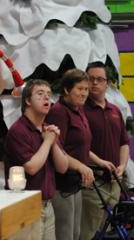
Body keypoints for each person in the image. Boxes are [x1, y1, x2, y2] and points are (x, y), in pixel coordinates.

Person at [4, 79, 68, 240]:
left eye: (49, 95)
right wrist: (47, 142)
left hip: (47, 204)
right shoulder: (18, 130)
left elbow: (63, 167)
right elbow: (31, 167)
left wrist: (53, 143)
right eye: (40, 94)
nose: (47, 98)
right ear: (27, 100)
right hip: (25, 205)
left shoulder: (47, 129)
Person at [80, 62, 130, 239]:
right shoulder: (80, 110)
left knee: (107, 231)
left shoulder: (115, 110)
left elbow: (124, 142)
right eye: (90, 79)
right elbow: (79, 146)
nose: (94, 83)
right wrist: (99, 163)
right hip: (93, 182)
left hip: (115, 181)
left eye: (99, 79)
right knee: (88, 231)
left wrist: (122, 166)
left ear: (107, 83)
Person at [45, 69, 94, 240]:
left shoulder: (78, 110)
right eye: (80, 89)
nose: (84, 93)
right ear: (66, 90)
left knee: (75, 234)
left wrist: (99, 161)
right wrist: (81, 166)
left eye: (86, 89)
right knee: (65, 235)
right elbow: (58, 149)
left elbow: (83, 145)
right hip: (61, 185)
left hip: (76, 182)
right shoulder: (59, 112)